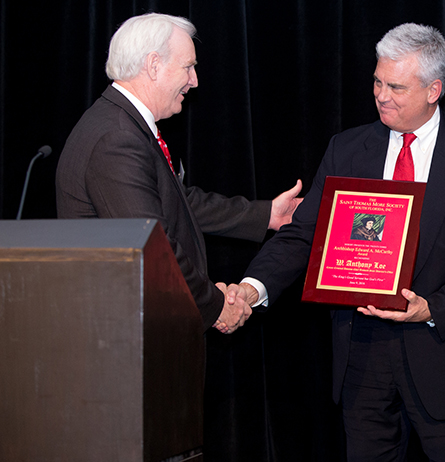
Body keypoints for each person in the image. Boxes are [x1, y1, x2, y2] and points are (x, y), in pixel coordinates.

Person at [233, 23, 445, 462]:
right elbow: (305, 232)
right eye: (377, 82)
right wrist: (253, 287)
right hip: (361, 359)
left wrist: (433, 307)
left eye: (396, 87)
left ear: (433, 90)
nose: (381, 95)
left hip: (443, 359)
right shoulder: (347, 149)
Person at [55, 13, 302, 335]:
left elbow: (175, 201)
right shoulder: (116, 138)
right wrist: (215, 305)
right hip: (124, 334)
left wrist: (265, 214)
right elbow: (152, 246)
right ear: (154, 64)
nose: (195, 80)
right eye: (188, 67)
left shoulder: (123, 123)